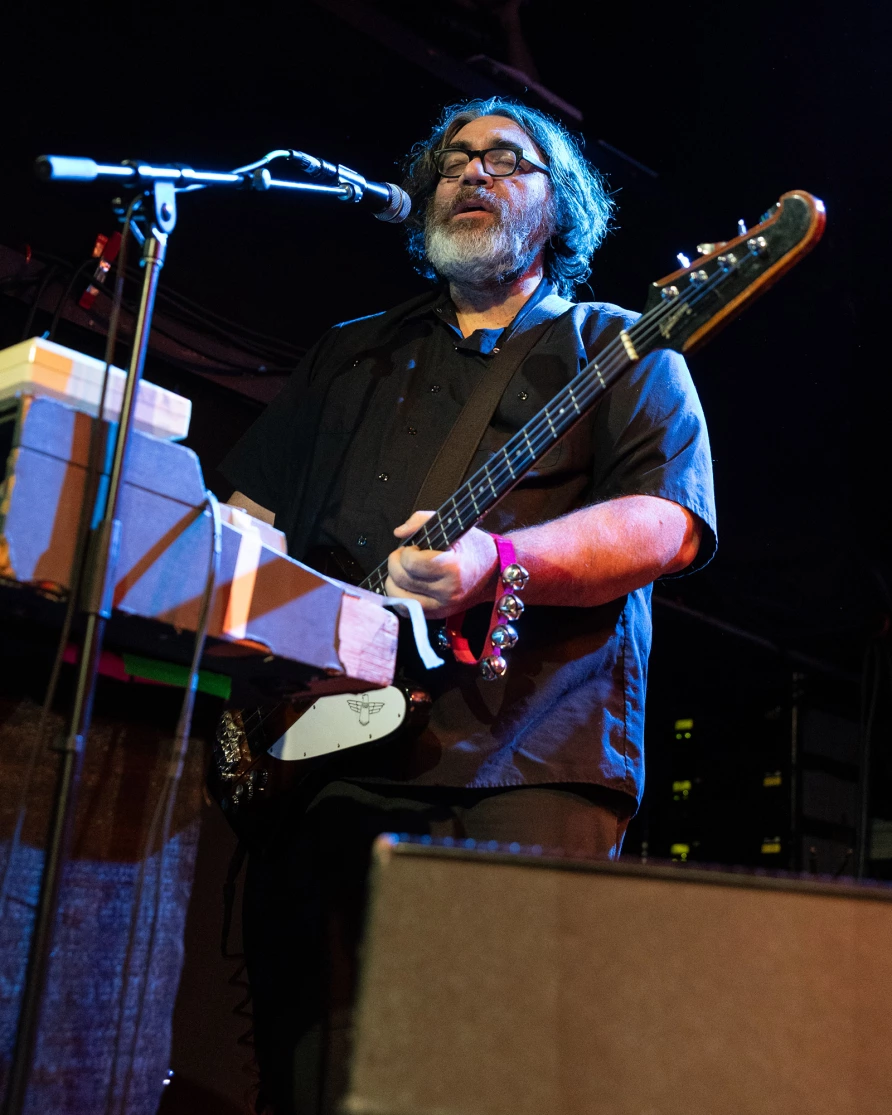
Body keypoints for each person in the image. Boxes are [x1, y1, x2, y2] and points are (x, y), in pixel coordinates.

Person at [220, 97, 716, 1115]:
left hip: (524, 757)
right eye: (452, 160)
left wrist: (501, 554)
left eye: (508, 159)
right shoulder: (352, 353)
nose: (473, 173)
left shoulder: (619, 344)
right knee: (307, 1069)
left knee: (480, 1075)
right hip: (321, 758)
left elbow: (666, 522)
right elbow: (247, 516)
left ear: (561, 208)